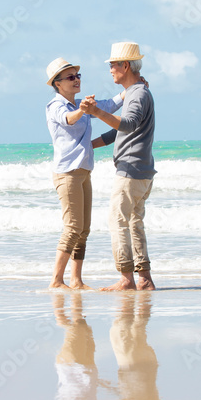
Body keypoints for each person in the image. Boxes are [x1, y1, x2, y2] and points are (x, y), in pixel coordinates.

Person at [80, 42, 157, 291]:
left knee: (117, 221)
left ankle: (126, 278)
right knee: (134, 222)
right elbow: (120, 132)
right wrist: (90, 144)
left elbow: (129, 124)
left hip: (131, 169)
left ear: (125, 65)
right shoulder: (137, 93)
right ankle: (143, 278)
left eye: (113, 65)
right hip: (141, 169)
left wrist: (96, 112)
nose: (110, 69)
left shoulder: (138, 93)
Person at [45, 58, 124, 290]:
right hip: (67, 173)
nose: (76, 80)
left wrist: (128, 92)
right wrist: (82, 110)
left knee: (84, 229)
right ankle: (56, 280)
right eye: (70, 77)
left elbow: (108, 106)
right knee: (72, 227)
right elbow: (67, 120)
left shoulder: (78, 104)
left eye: (77, 76)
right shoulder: (56, 106)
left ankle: (76, 280)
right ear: (58, 84)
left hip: (83, 171)